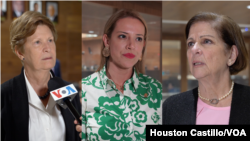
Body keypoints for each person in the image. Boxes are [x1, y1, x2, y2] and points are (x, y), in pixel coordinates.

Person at [75, 9, 162, 140]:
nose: (131, 45)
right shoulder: (85, 90)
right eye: (123, 36)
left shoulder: (156, 89)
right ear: (107, 41)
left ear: (143, 45)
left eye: (138, 38)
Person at [0, 11, 81, 141]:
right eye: (38, 42)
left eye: (50, 40)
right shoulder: (4, 96)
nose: (47, 48)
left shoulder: (70, 92)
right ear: (20, 52)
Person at [163, 12, 250, 125]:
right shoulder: (172, 107)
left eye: (206, 41)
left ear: (231, 55)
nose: (194, 49)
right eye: (190, 43)